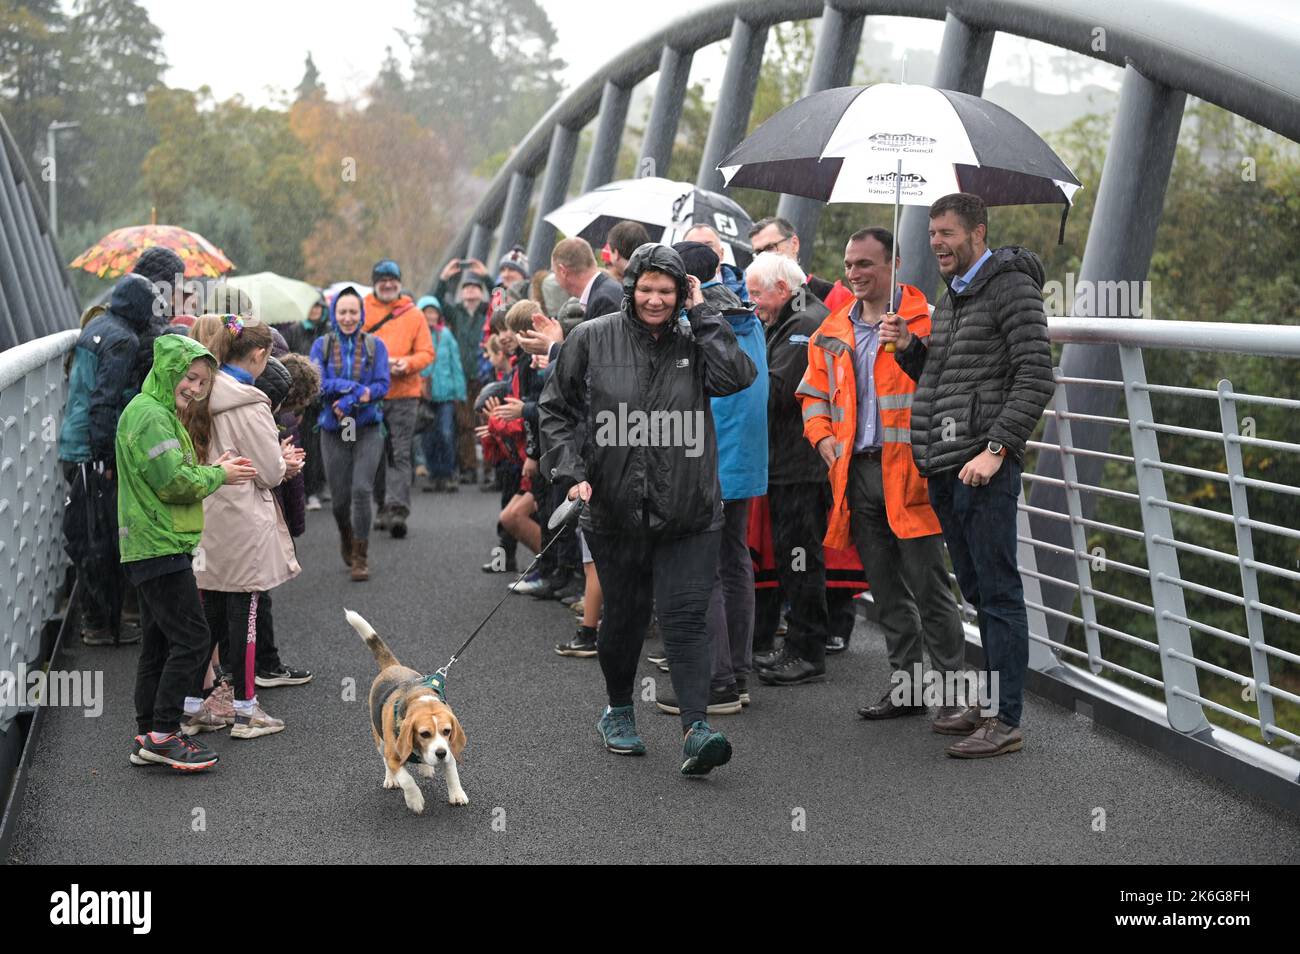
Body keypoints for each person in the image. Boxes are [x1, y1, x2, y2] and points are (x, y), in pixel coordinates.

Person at [540, 243, 757, 776]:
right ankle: (618, 710)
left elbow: (737, 377)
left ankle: (696, 728)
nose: (656, 300)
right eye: (647, 289)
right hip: (614, 508)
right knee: (627, 617)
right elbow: (555, 411)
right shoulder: (591, 338)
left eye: (668, 291)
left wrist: (701, 311)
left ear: (681, 291)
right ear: (631, 287)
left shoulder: (697, 336)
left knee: (685, 618)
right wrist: (572, 474)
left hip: (689, 509)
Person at [882, 194, 1054, 758]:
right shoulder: (954, 294)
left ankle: (1006, 721)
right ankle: (989, 705)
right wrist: (910, 348)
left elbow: (1035, 375)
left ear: (978, 232)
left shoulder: (1010, 286)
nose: (936, 243)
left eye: (947, 233)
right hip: (944, 461)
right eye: (932, 233)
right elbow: (945, 374)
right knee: (978, 588)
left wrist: (998, 449)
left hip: (981, 465)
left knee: (999, 592)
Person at [800, 226, 968, 726]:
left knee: (930, 589)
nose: (854, 273)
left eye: (866, 264)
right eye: (850, 265)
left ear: (894, 264)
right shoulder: (831, 330)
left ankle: (954, 694)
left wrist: (913, 345)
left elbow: (950, 388)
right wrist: (822, 438)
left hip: (911, 476)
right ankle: (908, 687)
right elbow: (813, 395)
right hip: (855, 475)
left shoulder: (928, 321)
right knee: (888, 592)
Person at [117, 333, 257, 769]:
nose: (195, 389)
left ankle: (148, 733)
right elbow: (173, 483)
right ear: (170, 370)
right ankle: (163, 734)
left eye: (202, 383)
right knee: (194, 637)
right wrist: (220, 476)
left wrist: (211, 470)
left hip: (149, 543)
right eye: (190, 378)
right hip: (160, 543)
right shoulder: (153, 417)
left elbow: (173, 472)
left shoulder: (151, 411)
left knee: (158, 641)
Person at [652, 243, 768, 715]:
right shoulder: (746, 312)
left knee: (707, 571)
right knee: (735, 562)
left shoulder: (698, 322)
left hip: (710, 456)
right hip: (744, 458)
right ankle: (736, 673)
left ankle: (716, 682)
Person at [185, 315, 303, 739]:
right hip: (242, 518)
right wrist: (285, 464)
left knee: (209, 614)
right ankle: (246, 709)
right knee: (246, 612)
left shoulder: (197, 392)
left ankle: (194, 703)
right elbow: (268, 471)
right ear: (258, 355)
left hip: (205, 515)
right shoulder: (251, 402)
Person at [744, 252, 833, 686]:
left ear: (783, 289)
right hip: (791, 461)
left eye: (756, 295)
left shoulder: (802, 323)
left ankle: (806, 650)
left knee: (800, 556)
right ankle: (798, 645)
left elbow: (778, 391)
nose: (751, 303)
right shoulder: (792, 317)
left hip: (800, 464)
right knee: (793, 556)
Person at [58, 273, 160, 645]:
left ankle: (99, 621)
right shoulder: (123, 341)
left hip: (75, 445)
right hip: (92, 453)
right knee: (100, 540)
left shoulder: (97, 325)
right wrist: (107, 460)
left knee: (89, 538)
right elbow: (106, 402)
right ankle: (100, 625)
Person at [311, 286, 391, 582]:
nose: (348, 318)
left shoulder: (375, 345)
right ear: (334, 314)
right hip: (333, 430)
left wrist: (350, 400)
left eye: (353, 312)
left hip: (368, 427)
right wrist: (352, 389)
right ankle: (346, 534)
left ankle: (361, 555)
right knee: (340, 499)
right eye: (342, 312)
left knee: (361, 491)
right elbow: (316, 383)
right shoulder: (322, 344)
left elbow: (383, 385)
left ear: (361, 315)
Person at [364, 259, 434, 538]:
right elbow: (353, 348)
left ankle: (397, 509)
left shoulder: (414, 314)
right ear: (375, 283)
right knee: (376, 454)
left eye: (393, 280)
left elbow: (427, 353)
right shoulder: (362, 310)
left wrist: (406, 364)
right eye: (383, 280)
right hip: (371, 395)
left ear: (399, 283)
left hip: (405, 394)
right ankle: (381, 504)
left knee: (400, 453)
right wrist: (379, 365)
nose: (388, 284)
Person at [436, 261, 491, 485]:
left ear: (480, 292)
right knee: (465, 425)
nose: (470, 291)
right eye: (466, 288)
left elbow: (503, 300)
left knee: (487, 424)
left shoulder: (487, 312)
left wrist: (487, 277)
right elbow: (437, 303)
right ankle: (468, 467)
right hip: (462, 378)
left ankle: (489, 468)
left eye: (475, 287)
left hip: (485, 376)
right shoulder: (455, 313)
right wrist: (444, 278)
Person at [748, 216, 853, 311]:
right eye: (758, 253)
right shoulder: (752, 300)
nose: (764, 257)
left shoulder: (834, 296)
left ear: (794, 244)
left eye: (770, 248)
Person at [416, 295, 466, 493]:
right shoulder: (416, 335)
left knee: (446, 433)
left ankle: (448, 472)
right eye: (426, 312)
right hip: (424, 395)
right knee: (428, 437)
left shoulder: (445, 335)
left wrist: (460, 392)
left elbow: (456, 364)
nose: (430, 316)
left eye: (433, 312)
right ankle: (433, 474)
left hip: (445, 394)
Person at [551, 237, 623, 320]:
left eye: (554, 272)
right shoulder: (604, 292)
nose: (555, 279)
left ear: (563, 271)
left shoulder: (603, 301)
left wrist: (558, 333)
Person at [683, 224, 748, 305]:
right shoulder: (673, 290)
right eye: (693, 247)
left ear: (722, 253)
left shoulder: (748, 288)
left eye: (708, 246)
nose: (701, 252)